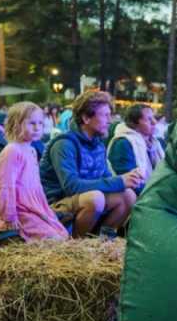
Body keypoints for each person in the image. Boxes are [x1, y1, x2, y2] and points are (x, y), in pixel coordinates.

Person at [40, 91, 140, 238]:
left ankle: (102, 241)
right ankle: (76, 245)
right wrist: (119, 181)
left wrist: (127, 182)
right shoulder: (64, 144)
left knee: (128, 195)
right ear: (86, 118)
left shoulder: (98, 144)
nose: (110, 120)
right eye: (105, 115)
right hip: (55, 205)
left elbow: (105, 177)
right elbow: (71, 187)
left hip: (83, 202)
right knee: (95, 198)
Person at [0, 102, 69, 241]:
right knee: (55, 239)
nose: (37, 128)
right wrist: (9, 216)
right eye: (32, 123)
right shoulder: (12, 151)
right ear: (16, 124)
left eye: (40, 123)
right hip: (20, 211)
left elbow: (35, 184)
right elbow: (3, 185)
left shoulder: (31, 150)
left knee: (63, 233)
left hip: (34, 206)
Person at [108, 104, 164, 194]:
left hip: (154, 193)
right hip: (135, 196)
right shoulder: (123, 143)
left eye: (153, 118)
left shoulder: (156, 143)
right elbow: (129, 181)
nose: (154, 122)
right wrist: (157, 195)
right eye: (149, 119)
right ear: (134, 123)